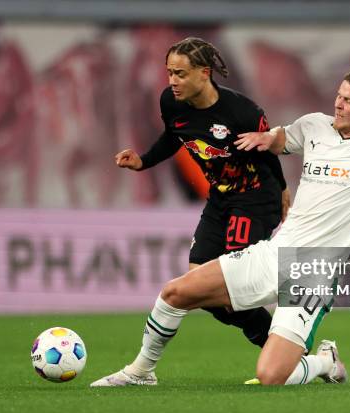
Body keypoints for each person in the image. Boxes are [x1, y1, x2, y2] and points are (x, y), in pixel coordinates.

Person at [92, 40, 350, 387]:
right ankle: (141, 370)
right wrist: (266, 137)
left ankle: (324, 362)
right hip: (276, 251)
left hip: (316, 270)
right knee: (175, 292)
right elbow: (282, 137)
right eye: (339, 95)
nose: (339, 103)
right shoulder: (315, 126)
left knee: (271, 376)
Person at [114, 37, 290, 349]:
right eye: (169, 72)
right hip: (220, 201)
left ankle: (287, 353)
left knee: (231, 287)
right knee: (202, 292)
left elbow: (267, 153)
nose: (172, 81)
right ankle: (287, 346)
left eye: (180, 74)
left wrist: (284, 191)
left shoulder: (242, 111)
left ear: (204, 73)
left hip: (255, 199)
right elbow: (173, 136)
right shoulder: (170, 102)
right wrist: (143, 162)